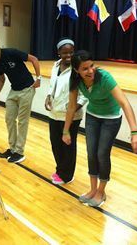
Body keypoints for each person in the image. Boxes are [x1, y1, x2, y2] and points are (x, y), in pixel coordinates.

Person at [62, 50, 137, 207]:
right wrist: (65, 130)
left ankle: (101, 191)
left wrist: (135, 132)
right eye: (85, 68)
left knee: (102, 154)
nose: (90, 71)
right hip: (93, 117)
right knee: (91, 153)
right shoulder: (75, 81)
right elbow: (72, 106)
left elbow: (124, 103)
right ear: (76, 70)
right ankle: (92, 190)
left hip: (111, 119)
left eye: (91, 66)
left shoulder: (104, 78)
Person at [0, 36, 41, 163]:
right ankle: (12, 148)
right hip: (14, 90)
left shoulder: (11, 52)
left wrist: (39, 78)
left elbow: (34, 59)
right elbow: (1, 79)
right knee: (9, 119)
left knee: (22, 121)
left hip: (27, 88)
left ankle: (19, 152)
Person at [45, 38, 87, 185]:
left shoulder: (77, 69)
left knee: (68, 146)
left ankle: (67, 175)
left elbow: (84, 95)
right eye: (65, 53)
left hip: (71, 117)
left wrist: (75, 108)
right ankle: (60, 170)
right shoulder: (55, 66)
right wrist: (48, 96)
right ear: (58, 53)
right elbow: (52, 85)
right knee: (55, 143)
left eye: (71, 52)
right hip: (54, 113)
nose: (68, 56)